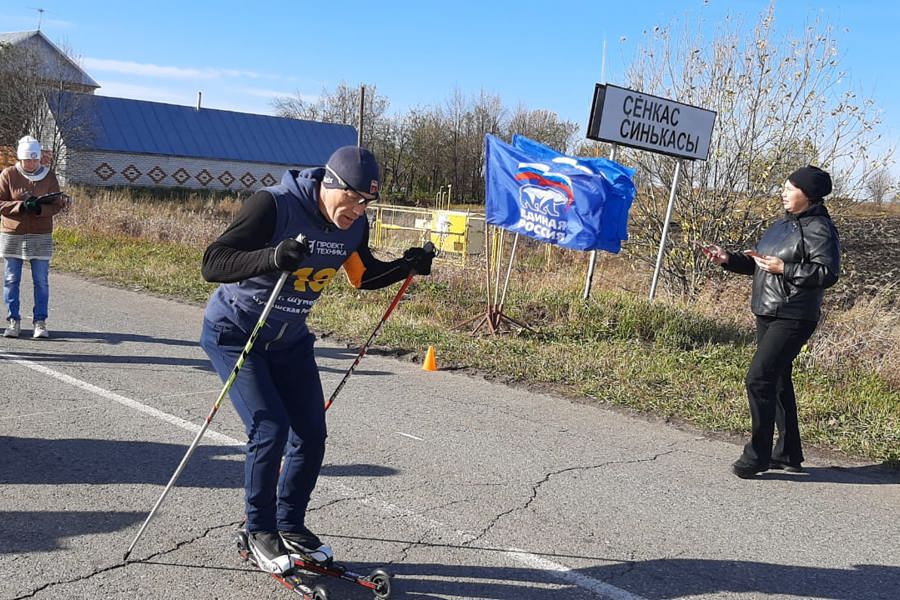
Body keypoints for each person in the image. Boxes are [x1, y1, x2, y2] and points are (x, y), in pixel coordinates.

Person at [199, 145, 434, 574]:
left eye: (368, 202)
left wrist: (406, 266)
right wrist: (273, 256)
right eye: (355, 198)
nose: (360, 210)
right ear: (330, 184)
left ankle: (289, 525)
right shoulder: (272, 205)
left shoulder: (352, 227)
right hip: (237, 333)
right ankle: (259, 531)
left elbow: (364, 276)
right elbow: (213, 263)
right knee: (270, 427)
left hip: (289, 340)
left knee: (311, 431)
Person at [701, 165, 840, 479]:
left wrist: (785, 269)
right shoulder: (780, 225)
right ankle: (788, 453)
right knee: (776, 381)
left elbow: (826, 273)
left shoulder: (820, 228)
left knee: (758, 379)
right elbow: (762, 266)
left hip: (793, 315)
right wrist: (729, 259)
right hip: (768, 311)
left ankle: (757, 456)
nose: (783, 192)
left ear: (807, 194)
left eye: (790, 188)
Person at [0, 135, 69, 339]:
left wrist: (40, 209)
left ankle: (40, 321)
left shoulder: (49, 177)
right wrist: (20, 206)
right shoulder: (8, 174)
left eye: (35, 159)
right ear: (20, 159)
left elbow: (56, 204)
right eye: (27, 160)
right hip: (13, 233)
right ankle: (14, 320)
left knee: (41, 280)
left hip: (40, 234)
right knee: (12, 279)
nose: (31, 164)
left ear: (40, 158)